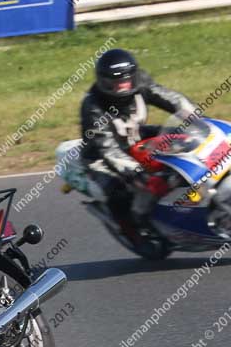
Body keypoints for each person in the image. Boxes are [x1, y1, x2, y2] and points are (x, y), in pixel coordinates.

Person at [80, 49, 196, 244]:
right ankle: (132, 230)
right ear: (103, 81)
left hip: (134, 136)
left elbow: (172, 99)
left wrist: (196, 118)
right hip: (101, 155)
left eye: (126, 80)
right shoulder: (93, 106)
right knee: (119, 190)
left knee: (183, 139)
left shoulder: (141, 82)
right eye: (115, 82)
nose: (122, 86)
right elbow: (108, 149)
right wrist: (136, 172)